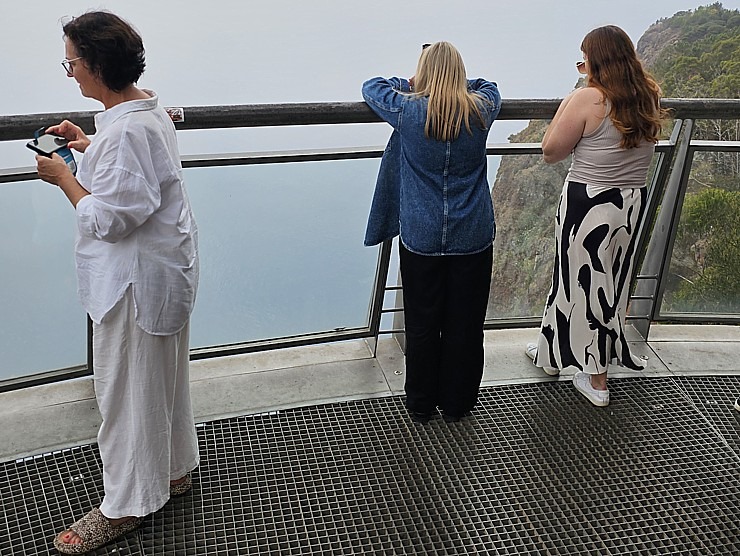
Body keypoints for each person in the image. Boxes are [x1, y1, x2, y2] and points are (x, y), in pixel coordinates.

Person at [34, 11, 200, 553]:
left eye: (73, 63)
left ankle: (125, 505)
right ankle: (174, 469)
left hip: (134, 285)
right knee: (163, 381)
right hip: (163, 272)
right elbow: (132, 168)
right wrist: (86, 145)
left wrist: (64, 178)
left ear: (98, 65)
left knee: (125, 397)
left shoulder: (128, 131)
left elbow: (109, 218)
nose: (71, 73)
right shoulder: (144, 113)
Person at [525, 25, 667, 407]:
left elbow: (551, 150)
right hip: (628, 204)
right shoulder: (648, 96)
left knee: (586, 284)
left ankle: (596, 377)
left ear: (596, 62)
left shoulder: (589, 98)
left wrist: (573, 95)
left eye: (585, 56)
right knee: (601, 282)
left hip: (587, 204)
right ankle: (552, 351)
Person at [362, 42, 501, 423]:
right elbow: (489, 84)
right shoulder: (482, 109)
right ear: (459, 73)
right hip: (472, 234)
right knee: (466, 324)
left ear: (422, 74)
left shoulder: (406, 110)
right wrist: (456, 81)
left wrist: (411, 82)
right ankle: (458, 404)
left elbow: (372, 87)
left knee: (422, 324)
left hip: (422, 237)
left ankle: (422, 404)